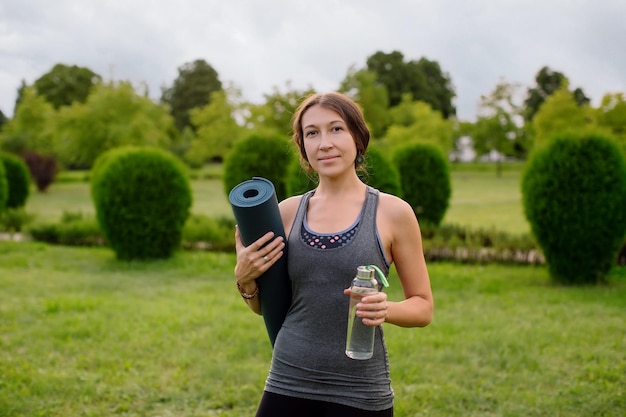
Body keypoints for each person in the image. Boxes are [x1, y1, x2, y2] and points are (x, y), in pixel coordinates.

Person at [234, 92, 433, 416]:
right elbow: (266, 307)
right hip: (288, 377)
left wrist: (386, 309)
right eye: (312, 133)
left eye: (336, 129)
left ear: (358, 137)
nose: (324, 142)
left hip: (360, 389)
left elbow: (423, 307)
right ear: (303, 146)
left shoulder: (392, 213)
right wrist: (244, 280)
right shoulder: (285, 213)